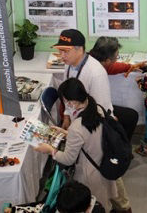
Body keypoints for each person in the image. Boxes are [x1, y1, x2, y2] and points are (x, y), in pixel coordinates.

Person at [53, 30, 132, 213]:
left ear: (79, 49)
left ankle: (123, 207)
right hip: (80, 126)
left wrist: (77, 130)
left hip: (95, 129)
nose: (61, 55)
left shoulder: (95, 73)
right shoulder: (69, 65)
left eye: (65, 51)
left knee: (106, 169)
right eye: (60, 51)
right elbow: (67, 95)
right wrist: (66, 116)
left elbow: (100, 111)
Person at [34, 78, 117, 210]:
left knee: (93, 206)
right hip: (103, 163)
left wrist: (50, 150)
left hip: (89, 174)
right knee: (103, 203)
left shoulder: (77, 127)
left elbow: (68, 159)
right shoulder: (97, 108)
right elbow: (89, 136)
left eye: (65, 101)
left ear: (71, 101)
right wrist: (66, 133)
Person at [89, 36, 145, 140]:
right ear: (107, 60)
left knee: (131, 116)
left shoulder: (94, 59)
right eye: (116, 57)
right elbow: (99, 100)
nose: (116, 60)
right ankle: (118, 150)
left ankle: (120, 147)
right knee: (130, 117)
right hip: (90, 112)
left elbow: (113, 67)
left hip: (96, 107)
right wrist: (109, 115)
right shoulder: (95, 73)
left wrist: (130, 67)